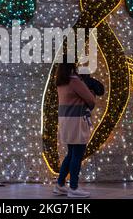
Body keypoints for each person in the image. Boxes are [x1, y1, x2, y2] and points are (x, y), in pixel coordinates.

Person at [53, 62, 95, 198]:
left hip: (65, 121)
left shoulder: (60, 81)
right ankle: (74, 187)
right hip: (77, 121)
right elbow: (90, 99)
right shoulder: (74, 80)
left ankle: (60, 185)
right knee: (77, 154)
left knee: (71, 154)